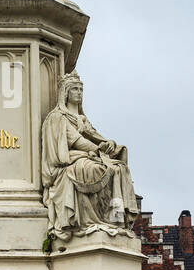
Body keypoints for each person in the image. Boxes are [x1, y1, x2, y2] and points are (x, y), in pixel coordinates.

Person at [41, 72, 138, 243]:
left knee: (118, 168)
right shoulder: (58, 117)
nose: (79, 92)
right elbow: (76, 140)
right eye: (75, 89)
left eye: (81, 89)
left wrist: (110, 145)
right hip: (68, 161)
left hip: (85, 155)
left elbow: (95, 136)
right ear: (66, 93)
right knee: (95, 169)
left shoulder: (82, 119)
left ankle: (114, 219)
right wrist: (97, 148)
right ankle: (89, 221)